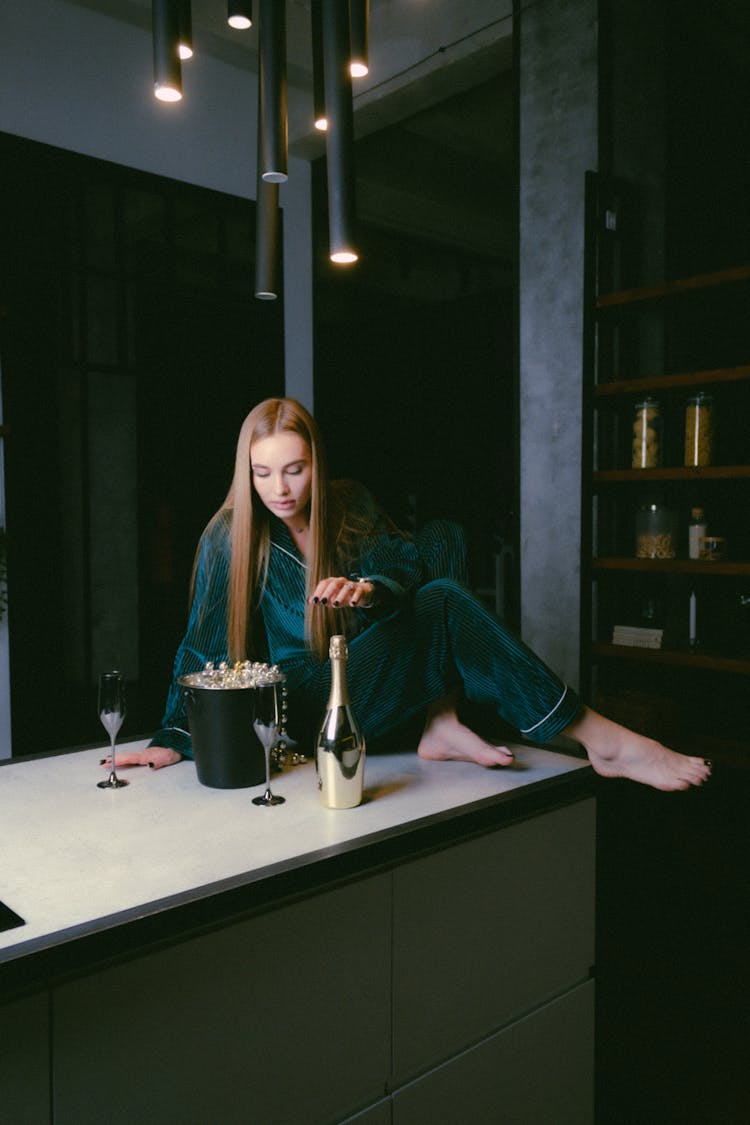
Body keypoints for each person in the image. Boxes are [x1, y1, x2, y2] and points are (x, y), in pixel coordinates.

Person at [107, 397, 711, 792]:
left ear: (316, 461)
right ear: (247, 472)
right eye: (262, 473)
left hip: (375, 667)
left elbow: (402, 563)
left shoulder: (349, 502)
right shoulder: (230, 535)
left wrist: (369, 590)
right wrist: (172, 738)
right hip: (315, 698)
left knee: (442, 539)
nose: (279, 489)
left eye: (293, 469)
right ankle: (605, 741)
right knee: (445, 599)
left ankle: (439, 720)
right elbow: (201, 645)